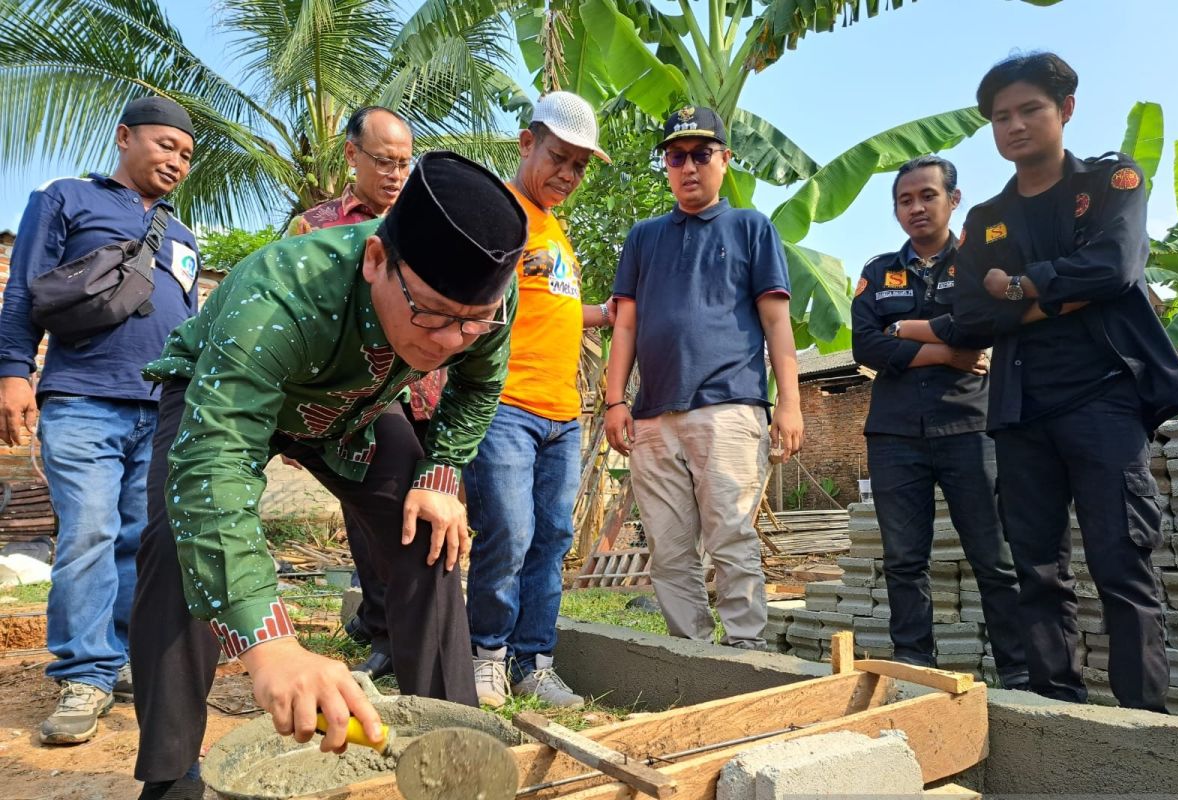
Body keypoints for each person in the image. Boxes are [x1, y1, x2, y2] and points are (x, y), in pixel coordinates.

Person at [128, 151, 527, 799]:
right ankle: (171, 777)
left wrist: (442, 470)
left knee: (427, 533)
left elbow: (478, 388)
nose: (452, 341)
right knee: (178, 540)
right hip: (225, 393)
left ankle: (458, 754)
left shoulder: (481, 310)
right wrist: (270, 646)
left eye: (471, 322)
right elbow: (215, 473)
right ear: (376, 260)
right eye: (431, 313)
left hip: (354, 413)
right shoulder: (279, 293)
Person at [953, 52, 1178, 711]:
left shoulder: (1113, 179)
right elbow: (970, 313)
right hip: (1021, 408)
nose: (1016, 125)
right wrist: (1059, 292)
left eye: (1030, 109)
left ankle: (1144, 722)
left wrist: (1021, 288)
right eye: (1001, 117)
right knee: (1036, 572)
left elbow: (1115, 268)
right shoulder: (985, 218)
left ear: (1065, 109)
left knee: (1122, 566)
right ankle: (1057, 708)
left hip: (1105, 398)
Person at [0, 97, 199, 746]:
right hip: (82, 397)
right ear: (125, 138)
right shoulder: (65, 198)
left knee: (141, 542)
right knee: (88, 531)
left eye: (187, 154)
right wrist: (11, 373)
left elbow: (191, 326)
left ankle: (120, 660)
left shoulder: (182, 235)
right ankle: (84, 673)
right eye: (166, 145)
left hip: (162, 410)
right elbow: (24, 289)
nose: (176, 160)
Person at [604, 106, 803, 651]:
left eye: (701, 154)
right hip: (652, 415)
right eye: (675, 157)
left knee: (731, 536)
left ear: (724, 160)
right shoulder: (644, 237)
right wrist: (615, 401)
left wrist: (789, 403)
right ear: (665, 166)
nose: (688, 167)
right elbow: (625, 325)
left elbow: (775, 321)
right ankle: (689, 651)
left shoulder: (751, 227)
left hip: (730, 407)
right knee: (668, 549)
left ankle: (745, 647)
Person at [850, 155, 1028, 687]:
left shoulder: (978, 260)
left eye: (927, 195)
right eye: (905, 200)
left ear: (953, 199)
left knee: (994, 559)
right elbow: (865, 344)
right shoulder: (878, 271)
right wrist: (944, 353)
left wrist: (904, 328)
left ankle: (1018, 673)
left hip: (970, 427)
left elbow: (982, 323)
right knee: (904, 561)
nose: (916, 207)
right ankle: (914, 667)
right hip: (895, 434)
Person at [467, 91, 614, 709]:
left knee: (552, 538)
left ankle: (535, 661)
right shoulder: (496, 212)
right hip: (505, 404)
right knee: (509, 531)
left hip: (561, 412)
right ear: (527, 142)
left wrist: (602, 314)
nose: (569, 175)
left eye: (580, 165)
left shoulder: (555, 228)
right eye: (560, 157)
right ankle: (488, 657)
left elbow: (545, 306)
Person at [283, 105, 417, 680]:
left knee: (423, 522)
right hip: (356, 402)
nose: (394, 175)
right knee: (369, 525)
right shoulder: (315, 229)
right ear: (351, 155)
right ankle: (385, 633)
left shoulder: (423, 222)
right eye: (383, 161)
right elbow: (291, 322)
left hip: (423, 393)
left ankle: (412, 632)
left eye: (405, 164)